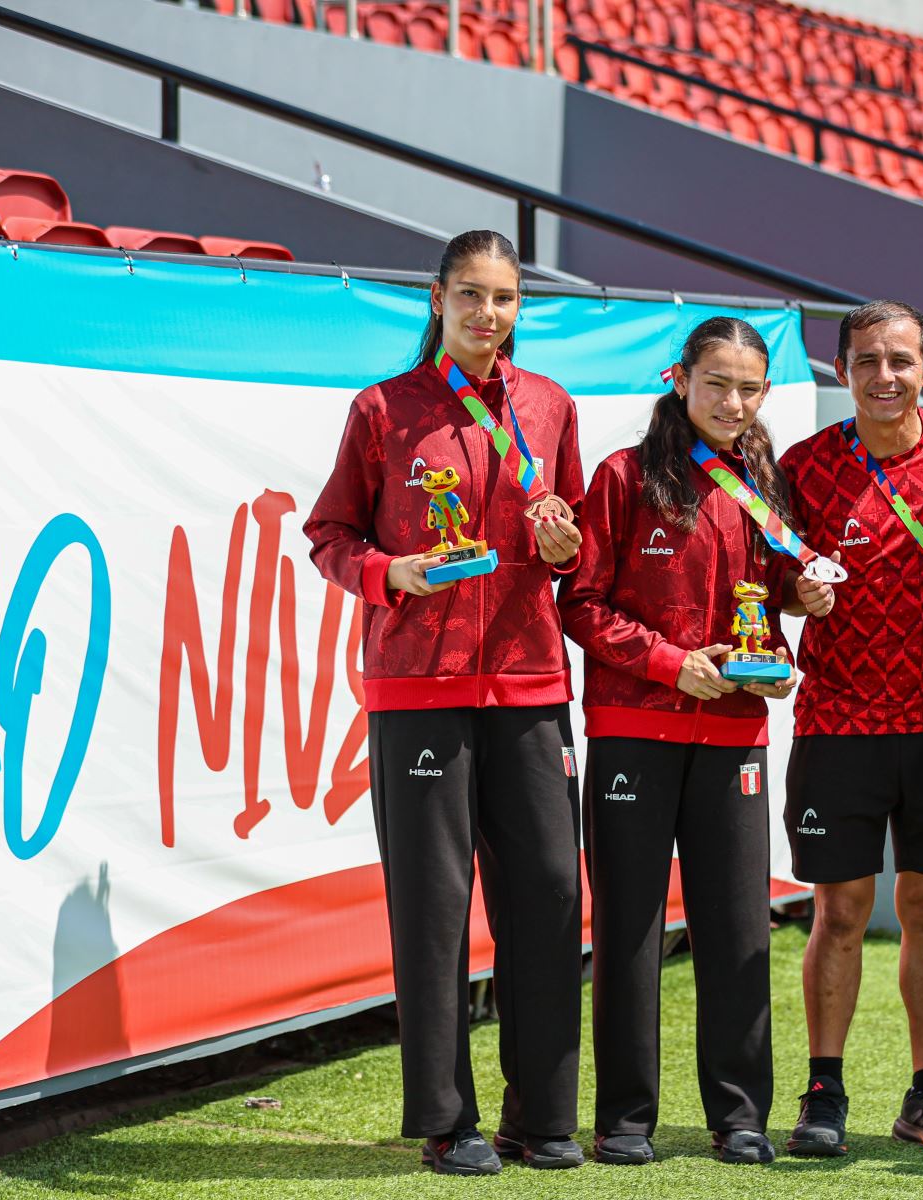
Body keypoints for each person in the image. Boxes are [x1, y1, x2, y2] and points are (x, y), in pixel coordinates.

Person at [305, 229, 587, 1176]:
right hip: (418, 683)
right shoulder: (384, 408)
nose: (488, 315)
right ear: (437, 299)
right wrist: (394, 572)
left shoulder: (549, 405)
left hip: (530, 679)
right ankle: (446, 1119)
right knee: (432, 908)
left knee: (548, 897)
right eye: (470, 295)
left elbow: (574, 537)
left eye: (504, 298)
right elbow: (330, 533)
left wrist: (562, 548)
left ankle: (543, 1117)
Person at [559, 315, 828, 1167]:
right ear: (680, 379)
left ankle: (740, 1116)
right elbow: (581, 603)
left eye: (750, 387)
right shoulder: (621, 475)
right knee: (631, 930)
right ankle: (626, 1119)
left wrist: (796, 616)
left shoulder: (763, 476)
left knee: (738, 928)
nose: (734, 401)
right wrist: (670, 664)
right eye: (718, 382)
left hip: (736, 732)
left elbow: (772, 591)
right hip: (636, 730)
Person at [777, 301, 923, 1158]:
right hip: (838, 720)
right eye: (867, 361)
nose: (885, 376)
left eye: (902, 360)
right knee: (839, 911)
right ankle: (823, 1088)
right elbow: (775, 583)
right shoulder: (803, 466)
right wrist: (800, 597)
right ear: (841, 371)